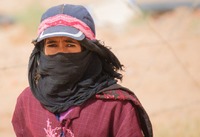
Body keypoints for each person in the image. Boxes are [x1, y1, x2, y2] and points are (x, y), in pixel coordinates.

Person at [12, 4, 153, 137]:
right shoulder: (28, 101)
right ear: (42, 52)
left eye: (70, 44)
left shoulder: (115, 106)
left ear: (88, 50)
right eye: (52, 45)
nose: (61, 52)